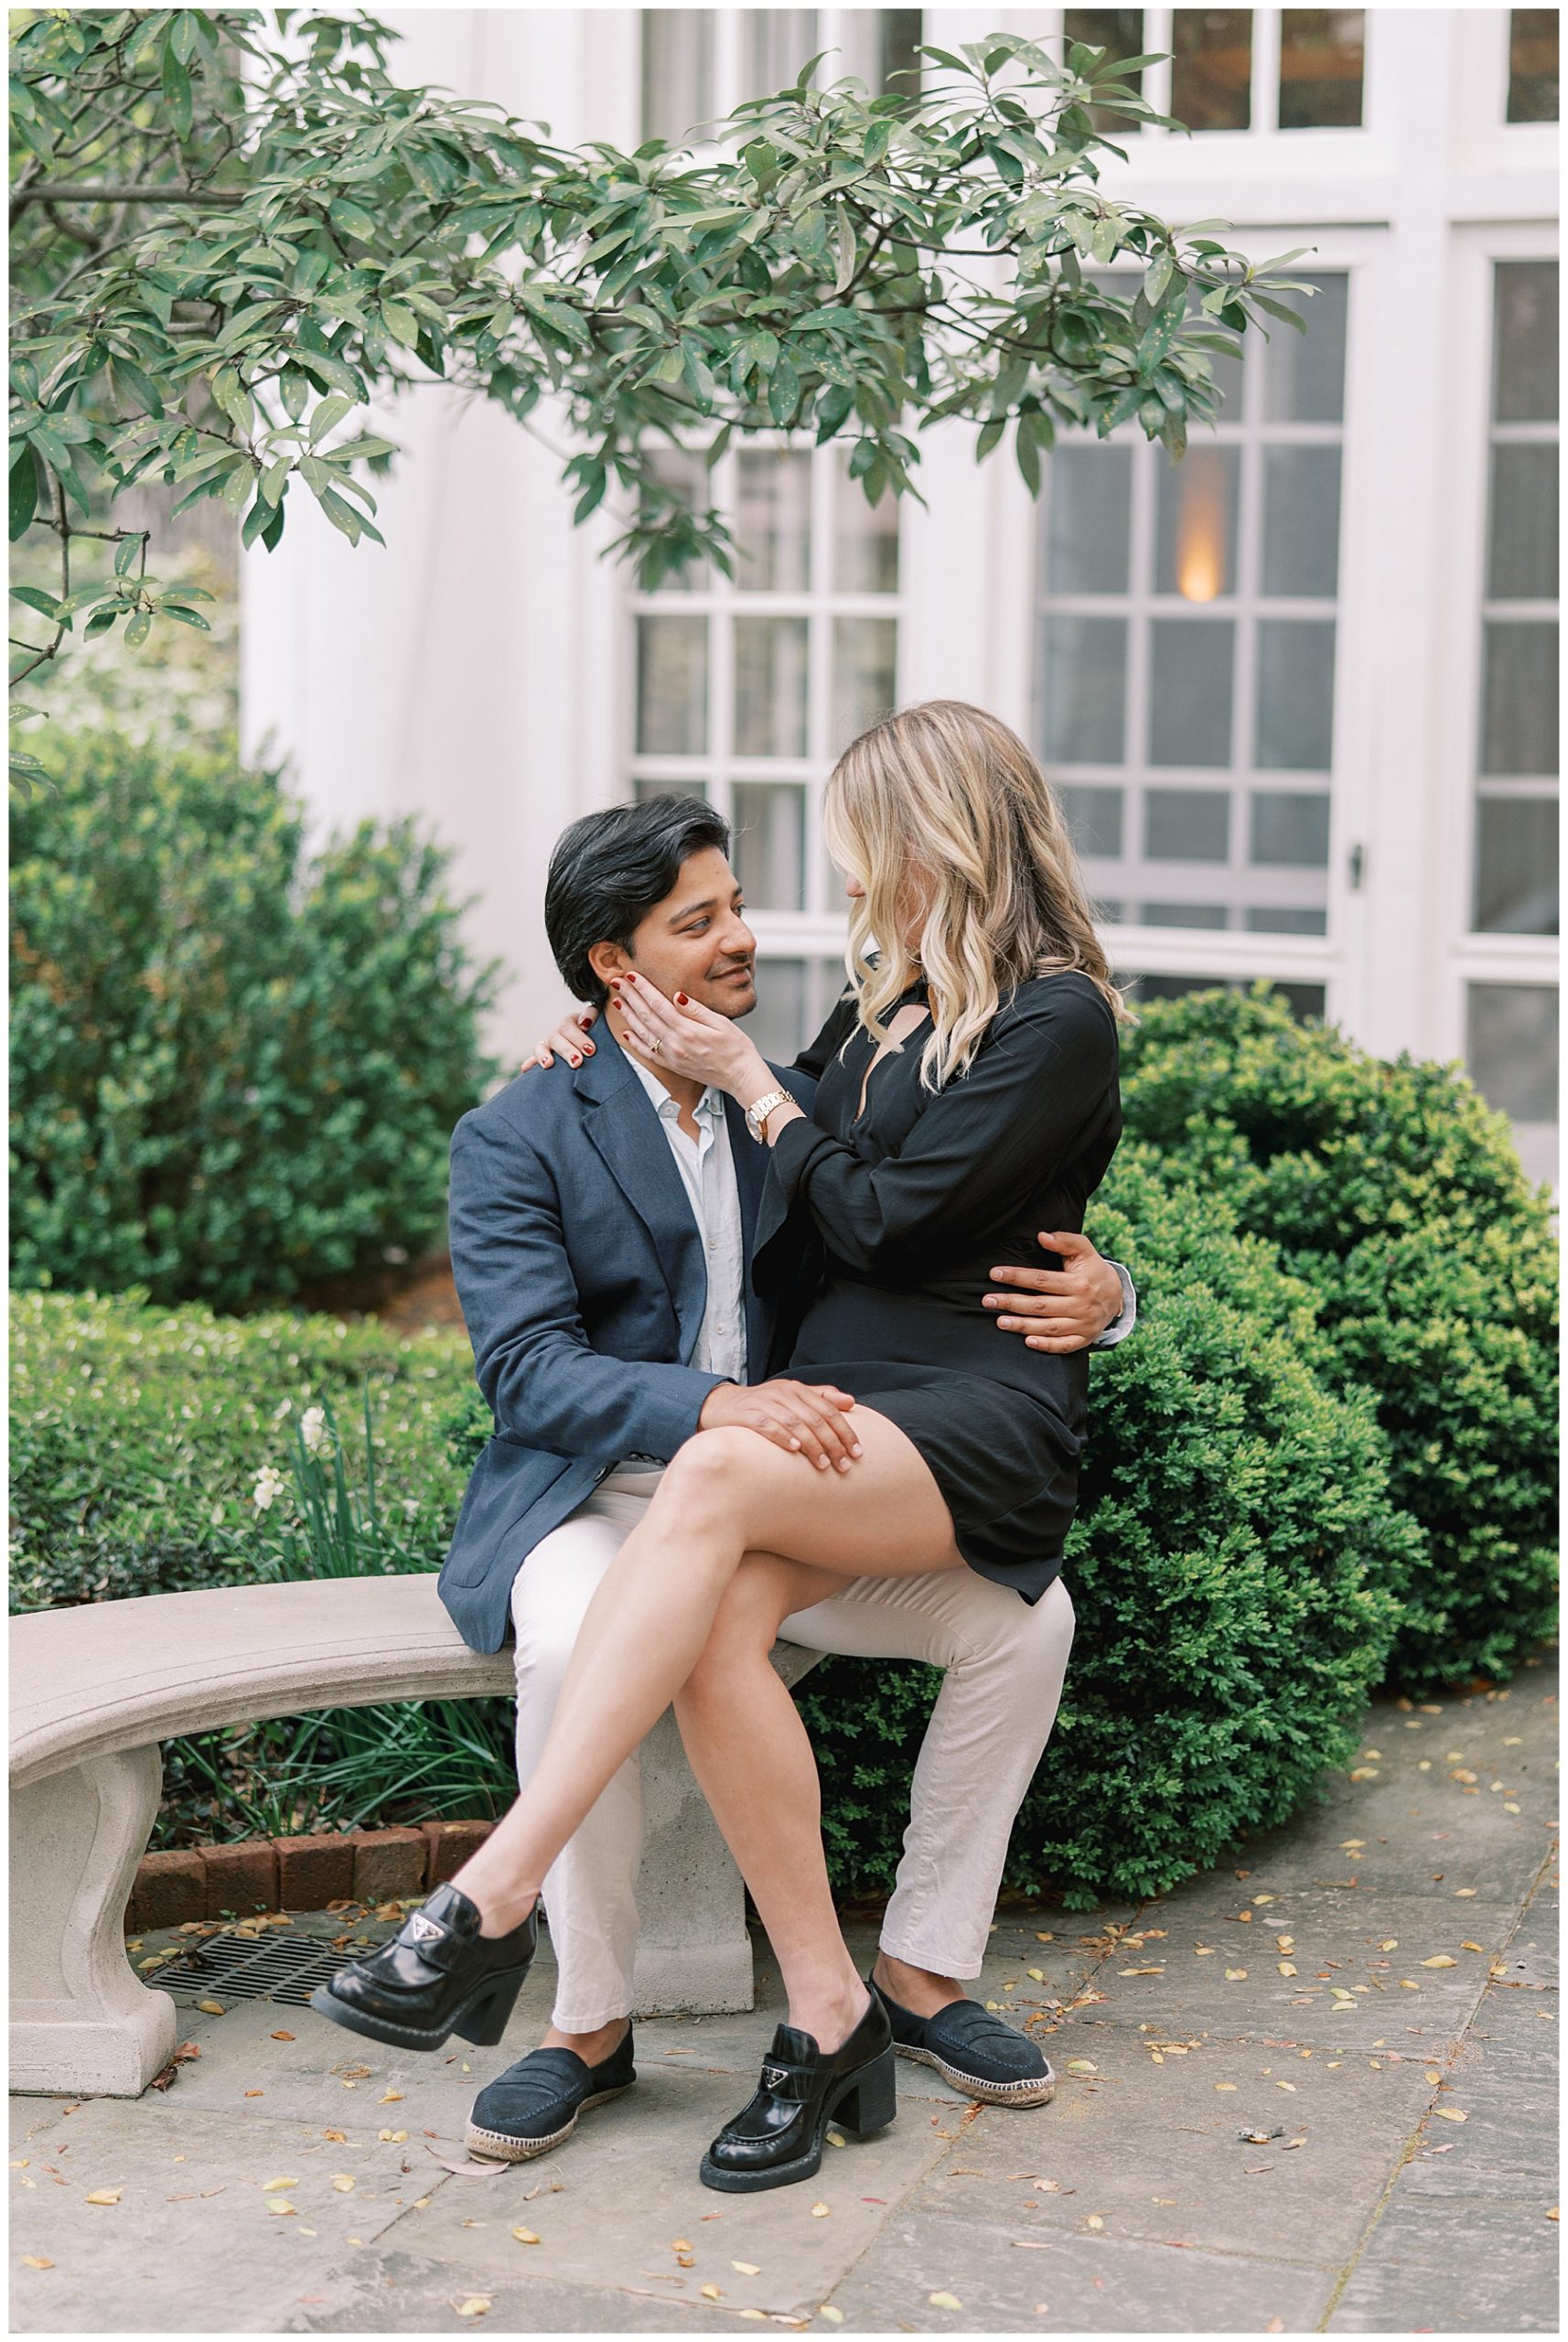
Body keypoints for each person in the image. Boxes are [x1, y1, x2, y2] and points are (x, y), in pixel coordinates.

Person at [314, 703, 1129, 2195]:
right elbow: (531, 1374)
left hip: (837, 1450)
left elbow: (934, 1205)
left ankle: (875, 1979)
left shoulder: (826, 1071)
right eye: (705, 921)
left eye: (746, 900)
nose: (757, 930)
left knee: (1032, 1618)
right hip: (619, 1487)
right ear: (618, 968)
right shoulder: (537, 1125)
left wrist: (1117, 1295)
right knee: (615, 1643)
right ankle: (601, 2020)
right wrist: (712, 1405)